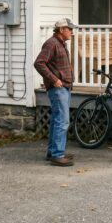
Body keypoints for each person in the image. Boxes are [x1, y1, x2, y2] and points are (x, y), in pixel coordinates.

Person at [34, 18, 77, 167]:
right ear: (61, 30)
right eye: (69, 29)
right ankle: (57, 155)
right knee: (62, 121)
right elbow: (39, 63)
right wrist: (53, 80)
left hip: (64, 87)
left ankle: (53, 152)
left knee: (57, 121)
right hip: (58, 88)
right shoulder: (51, 43)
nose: (71, 32)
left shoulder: (61, 43)